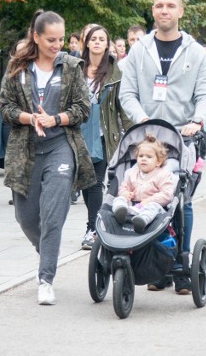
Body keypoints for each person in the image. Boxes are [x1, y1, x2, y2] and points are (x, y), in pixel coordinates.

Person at [120, 0, 206, 294]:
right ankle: (154, 260)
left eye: (170, 6)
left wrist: (197, 121)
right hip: (147, 136)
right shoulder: (139, 49)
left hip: (182, 137)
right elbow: (127, 93)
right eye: (159, 5)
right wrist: (140, 117)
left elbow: (204, 95)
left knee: (178, 197)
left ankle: (179, 263)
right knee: (140, 191)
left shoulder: (195, 51)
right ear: (153, 10)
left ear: (180, 12)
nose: (164, 10)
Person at [0, 10, 95, 305]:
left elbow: (84, 108)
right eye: (51, 39)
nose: (57, 45)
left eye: (61, 39)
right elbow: (5, 107)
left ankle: (46, 279)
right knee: (26, 218)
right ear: (36, 37)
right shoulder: (18, 67)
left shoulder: (71, 67)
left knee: (53, 215)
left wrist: (57, 119)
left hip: (61, 147)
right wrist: (29, 118)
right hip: (25, 150)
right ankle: (47, 251)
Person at [79, 25, 132, 250]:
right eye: (94, 39)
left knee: (95, 182)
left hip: (101, 135)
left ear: (107, 44)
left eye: (102, 39)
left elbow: (122, 107)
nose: (98, 42)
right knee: (84, 182)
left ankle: (93, 228)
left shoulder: (115, 73)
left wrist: (133, 132)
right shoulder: (76, 68)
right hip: (77, 134)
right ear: (87, 43)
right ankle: (94, 223)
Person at [112, 135, 174, 233]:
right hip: (132, 206)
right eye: (141, 156)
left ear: (158, 162)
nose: (143, 159)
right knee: (119, 199)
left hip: (152, 208)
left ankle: (141, 221)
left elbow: (167, 195)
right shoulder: (131, 173)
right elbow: (124, 187)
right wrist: (125, 193)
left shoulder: (163, 175)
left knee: (153, 206)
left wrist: (149, 200)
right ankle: (119, 212)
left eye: (149, 157)